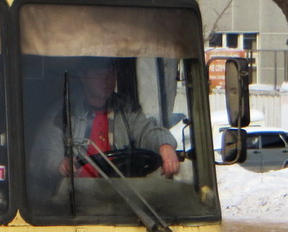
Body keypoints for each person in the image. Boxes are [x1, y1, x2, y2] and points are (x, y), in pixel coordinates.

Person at [37, 57, 180, 179]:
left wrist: (164, 146)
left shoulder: (126, 109)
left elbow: (146, 131)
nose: (108, 79)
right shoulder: (64, 113)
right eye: (100, 74)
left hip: (122, 193)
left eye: (112, 73)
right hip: (78, 199)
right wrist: (60, 164)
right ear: (82, 76)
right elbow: (43, 155)